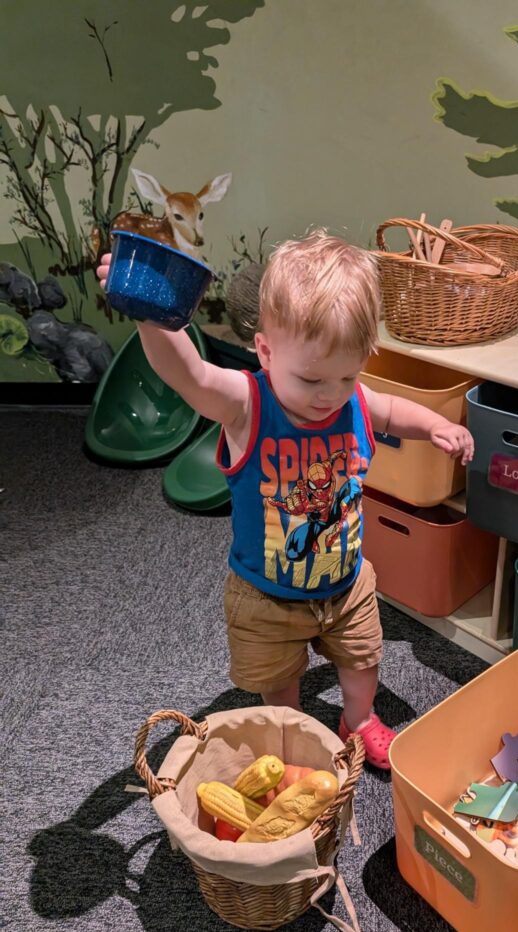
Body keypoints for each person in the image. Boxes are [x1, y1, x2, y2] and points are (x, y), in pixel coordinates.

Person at [97, 229, 473, 769]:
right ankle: (293, 736)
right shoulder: (246, 404)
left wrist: (437, 424)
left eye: (347, 375)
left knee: (364, 659)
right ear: (266, 352)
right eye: (312, 378)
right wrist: (149, 316)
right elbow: (190, 374)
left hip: (345, 584)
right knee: (279, 682)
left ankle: (359, 719)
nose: (330, 395)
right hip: (267, 595)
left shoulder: (353, 397)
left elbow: (390, 409)